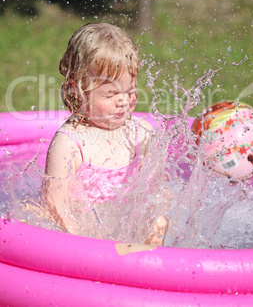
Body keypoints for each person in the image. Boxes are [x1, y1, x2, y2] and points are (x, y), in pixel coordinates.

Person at [44, 22, 168, 245]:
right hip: (87, 240)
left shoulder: (142, 134)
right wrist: (95, 247)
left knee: (159, 221)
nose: (123, 101)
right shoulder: (69, 143)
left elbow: (158, 193)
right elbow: (57, 206)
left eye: (130, 91)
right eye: (110, 94)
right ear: (78, 90)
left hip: (129, 236)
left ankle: (147, 259)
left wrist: (155, 224)